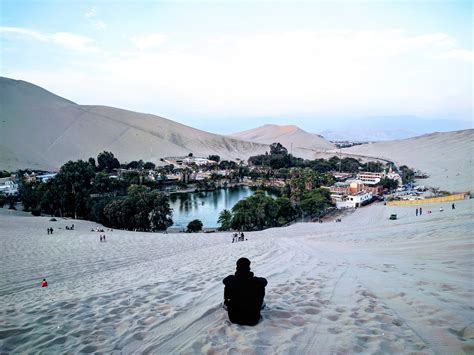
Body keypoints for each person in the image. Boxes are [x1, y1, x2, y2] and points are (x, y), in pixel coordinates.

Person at [223, 257, 267, 326]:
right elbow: (264, 281)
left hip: (234, 318)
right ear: (248, 267)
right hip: (253, 319)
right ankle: (259, 305)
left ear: (237, 267)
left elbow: (225, 281)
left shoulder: (231, 280)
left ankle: (228, 305)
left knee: (228, 285)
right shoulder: (255, 281)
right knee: (260, 286)